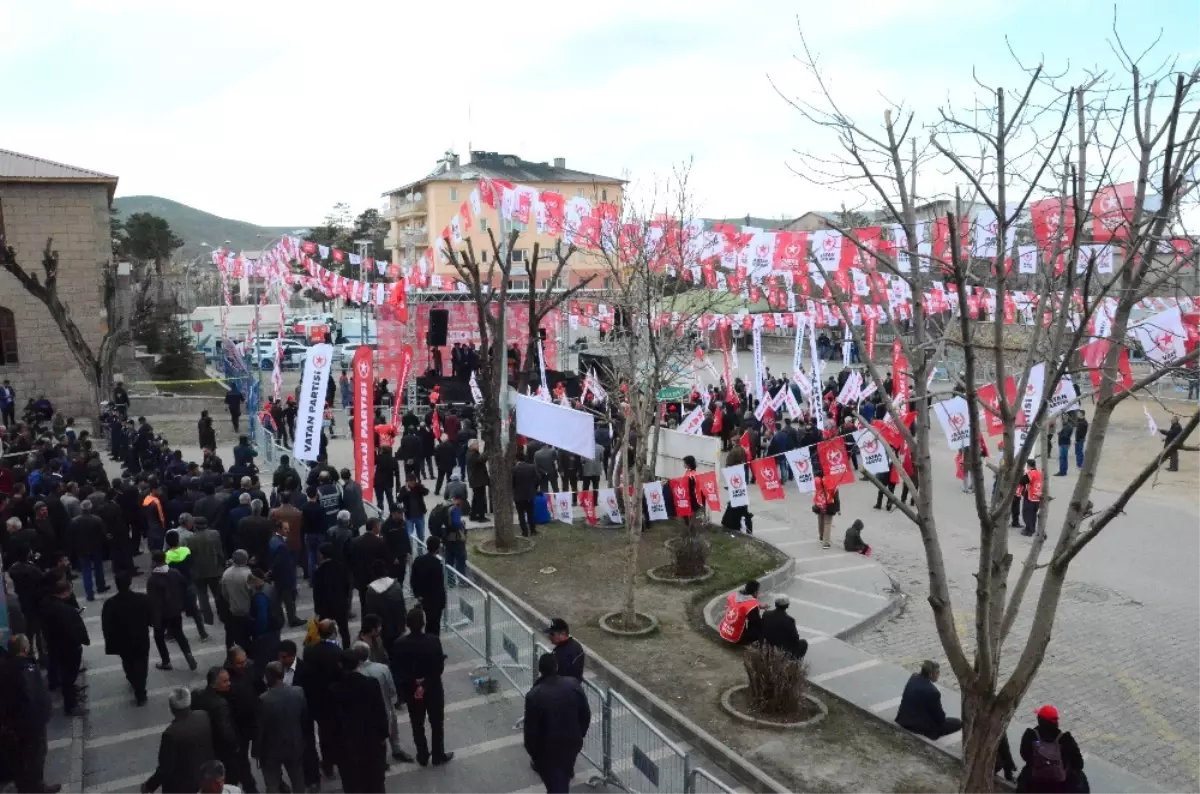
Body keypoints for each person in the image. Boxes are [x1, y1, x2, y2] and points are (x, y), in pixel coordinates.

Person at [391, 606, 453, 768]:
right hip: (432, 689)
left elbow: (398, 670)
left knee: (417, 724)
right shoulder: (433, 641)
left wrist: (415, 684)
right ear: (423, 623)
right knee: (436, 723)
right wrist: (424, 684)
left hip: (412, 691)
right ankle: (438, 754)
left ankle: (423, 754)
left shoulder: (399, 644)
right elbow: (438, 668)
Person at [524, 652, 591, 794]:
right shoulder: (573, 685)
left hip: (548, 753)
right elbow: (585, 714)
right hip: (571, 744)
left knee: (557, 787)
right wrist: (579, 734)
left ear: (540, 670)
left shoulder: (534, 696)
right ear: (556, 667)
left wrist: (535, 756)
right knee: (561, 780)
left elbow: (530, 733)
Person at [4, 633, 61, 794]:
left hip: (22, 722)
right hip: (31, 723)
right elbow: (30, 696)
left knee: (24, 758)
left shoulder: (11, 667)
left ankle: (30, 786)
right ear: (24, 648)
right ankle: (35, 788)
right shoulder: (24, 668)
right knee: (34, 757)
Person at [329, 648, 390, 793]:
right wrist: (383, 735)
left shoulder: (335, 690)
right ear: (358, 664)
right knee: (375, 781)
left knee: (352, 784)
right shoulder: (371, 683)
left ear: (340, 665)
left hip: (347, 745)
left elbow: (333, 722)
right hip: (372, 741)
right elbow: (380, 711)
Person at [141, 687, 217, 794]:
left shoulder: (171, 734)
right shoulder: (203, 716)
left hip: (181, 786)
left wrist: (149, 786)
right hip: (204, 778)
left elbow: (165, 768)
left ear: (172, 708)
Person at [351, 641, 415, 764]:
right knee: (392, 729)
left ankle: (380, 759)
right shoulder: (382, 668)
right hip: (386, 706)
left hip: (367, 711)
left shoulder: (355, 673)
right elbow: (392, 690)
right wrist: (392, 702)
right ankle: (396, 750)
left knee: (373, 735)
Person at [255, 661, 309, 794]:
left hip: (271, 749)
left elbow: (260, 728)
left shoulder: (264, 700)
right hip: (294, 743)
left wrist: (256, 750)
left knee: (272, 783)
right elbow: (304, 719)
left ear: (268, 676)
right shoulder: (298, 692)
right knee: (298, 780)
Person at [40, 577, 90, 715]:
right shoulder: (65, 610)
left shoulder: (46, 604)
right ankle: (71, 706)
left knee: (64, 673)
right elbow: (72, 631)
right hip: (67, 647)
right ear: (65, 592)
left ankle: (72, 697)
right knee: (68, 676)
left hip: (53, 644)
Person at [301, 620, 344, 780]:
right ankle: (339, 759)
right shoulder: (337, 652)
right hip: (334, 699)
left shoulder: (310, 650)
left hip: (317, 699)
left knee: (324, 731)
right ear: (334, 632)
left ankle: (328, 763)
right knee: (338, 731)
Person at [101, 573, 153, 705]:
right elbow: (151, 618)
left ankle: (133, 680)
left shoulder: (110, 604)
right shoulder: (142, 599)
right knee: (142, 663)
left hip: (122, 640)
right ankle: (140, 691)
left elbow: (107, 625)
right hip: (140, 637)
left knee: (128, 662)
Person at [147, 549, 199, 672]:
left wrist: (151, 617)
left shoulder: (153, 579)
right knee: (179, 634)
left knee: (158, 637)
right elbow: (184, 586)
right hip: (175, 609)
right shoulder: (174, 572)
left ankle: (166, 661)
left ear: (154, 562)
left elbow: (152, 600)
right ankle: (188, 654)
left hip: (161, 614)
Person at [190, 667, 240, 791]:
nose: (229, 683)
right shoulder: (220, 705)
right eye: (225, 681)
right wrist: (235, 745)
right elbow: (225, 731)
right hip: (220, 750)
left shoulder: (197, 695)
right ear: (213, 684)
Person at [1017, 704, 1086, 793]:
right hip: (1060, 786)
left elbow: (1024, 756)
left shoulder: (1030, 735)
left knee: (1026, 773)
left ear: (1039, 720)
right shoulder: (1066, 739)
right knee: (1081, 777)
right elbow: (1079, 764)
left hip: (1034, 782)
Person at [895, 660, 961, 740]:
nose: (939, 675)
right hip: (918, 726)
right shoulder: (933, 692)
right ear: (930, 674)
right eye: (937, 672)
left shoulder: (913, 678)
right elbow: (939, 718)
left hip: (903, 719)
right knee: (957, 723)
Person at [66, 499, 107, 600]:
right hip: (96, 547)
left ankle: (89, 594)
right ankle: (100, 586)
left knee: (86, 571)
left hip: (82, 549)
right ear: (90, 508)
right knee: (98, 568)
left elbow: (71, 536)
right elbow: (103, 534)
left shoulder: (74, 521)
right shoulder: (97, 519)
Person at [410, 536, 447, 636]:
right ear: (437, 549)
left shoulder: (418, 560)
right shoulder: (437, 564)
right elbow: (439, 585)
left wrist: (417, 594)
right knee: (434, 625)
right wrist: (442, 601)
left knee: (426, 622)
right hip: (434, 601)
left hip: (422, 598)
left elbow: (413, 579)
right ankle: (432, 643)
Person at [221, 549, 255, 650]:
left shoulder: (226, 574)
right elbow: (253, 593)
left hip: (234, 611)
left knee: (240, 639)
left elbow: (224, 593)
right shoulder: (247, 574)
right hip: (248, 611)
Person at [758, 595, 809, 660]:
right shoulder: (789, 620)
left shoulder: (766, 614)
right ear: (787, 605)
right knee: (804, 643)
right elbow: (795, 638)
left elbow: (762, 628)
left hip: (768, 644)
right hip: (782, 648)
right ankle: (793, 660)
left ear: (775, 604)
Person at [717, 579, 762, 645]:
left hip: (724, 630)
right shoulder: (751, 606)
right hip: (735, 637)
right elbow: (757, 622)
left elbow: (739, 607)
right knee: (759, 626)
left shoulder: (733, 596)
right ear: (755, 592)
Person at [512, 450, 540, 537]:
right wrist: (533, 488)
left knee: (521, 514)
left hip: (518, 495)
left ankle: (524, 532)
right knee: (530, 513)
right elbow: (538, 479)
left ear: (516, 459)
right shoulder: (531, 467)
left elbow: (512, 483)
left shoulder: (514, 469)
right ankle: (533, 530)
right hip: (529, 494)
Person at [812, 475, 841, 550]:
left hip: (820, 504)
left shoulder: (817, 481)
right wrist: (838, 509)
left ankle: (821, 537)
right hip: (829, 505)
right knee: (827, 523)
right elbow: (836, 498)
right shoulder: (832, 483)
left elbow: (815, 492)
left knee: (820, 521)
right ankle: (826, 542)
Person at [465, 439, 489, 521]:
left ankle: (473, 515)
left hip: (475, 480)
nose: (478, 446)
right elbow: (481, 460)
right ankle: (481, 517)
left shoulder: (470, 453)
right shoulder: (472, 454)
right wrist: (488, 452)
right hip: (477, 480)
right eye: (477, 444)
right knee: (480, 499)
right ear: (472, 446)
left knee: (476, 498)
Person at [1019, 459, 1043, 537]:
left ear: (1028, 465)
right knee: (1033, 514)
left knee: (1027, 513)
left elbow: (1022, 481)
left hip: (1030, 496)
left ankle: (1029, 530)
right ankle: (1032, 528)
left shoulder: (1030, 473)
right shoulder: (1040, 473)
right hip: (1038, 496)